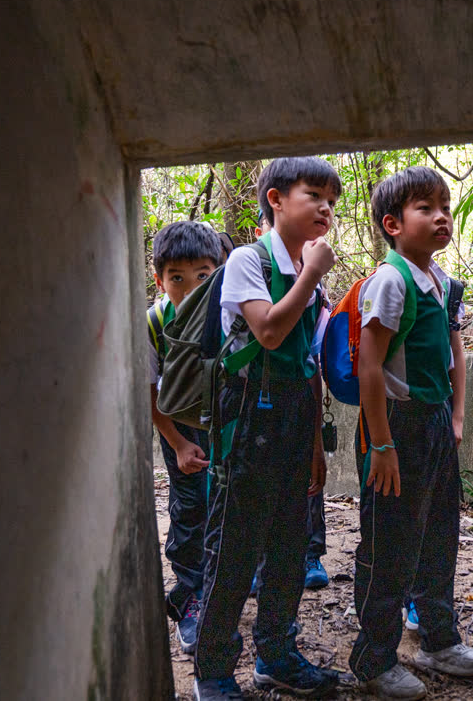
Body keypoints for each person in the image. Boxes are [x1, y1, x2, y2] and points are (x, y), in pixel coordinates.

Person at [192, 157, 342, 700]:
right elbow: (271, 332)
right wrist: (312, 274)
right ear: (275, 199)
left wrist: (316, 445)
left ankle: (276, 655)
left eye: (332, 200)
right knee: (234, 544)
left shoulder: (305, 267)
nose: (325, 208)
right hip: (250, 415)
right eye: (313, 195)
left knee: (288, 544)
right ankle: (213, 671)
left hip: (295, 416)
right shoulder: (247, 261)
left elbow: (309, 360)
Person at [349, 166, 473, 700]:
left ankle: (437, 637)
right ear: (393, 224)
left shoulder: (442, 283)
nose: (441, 218)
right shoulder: (391, 282)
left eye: (445, 208)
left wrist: (456, 418)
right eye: (425, 208)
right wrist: (381, 444)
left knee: (439, 533)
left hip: (433, 423)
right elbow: (369, 367)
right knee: (390, 542)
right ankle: (374, 658)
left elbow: (456, 354)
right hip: (395, 425)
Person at [146, 221, 226, 655]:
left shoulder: (229, 312)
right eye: (177, 277)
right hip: (178, 427)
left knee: (228, 502)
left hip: (223, 423)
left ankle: (224, 584)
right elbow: (150, 392)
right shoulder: (155, 322)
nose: (191, 287)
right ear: (159, 279)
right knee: (189, 505)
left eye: (202, 275)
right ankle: (190, 594)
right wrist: (177, 443)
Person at [249, 211, 331, 595]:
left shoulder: (313, 286)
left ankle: (309, 554)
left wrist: (317, 437)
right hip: (255, 405)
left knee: (304, 487)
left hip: (298, 398)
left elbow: (312, 359)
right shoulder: (251, 269)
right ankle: (257, 564)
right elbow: (267, 333)